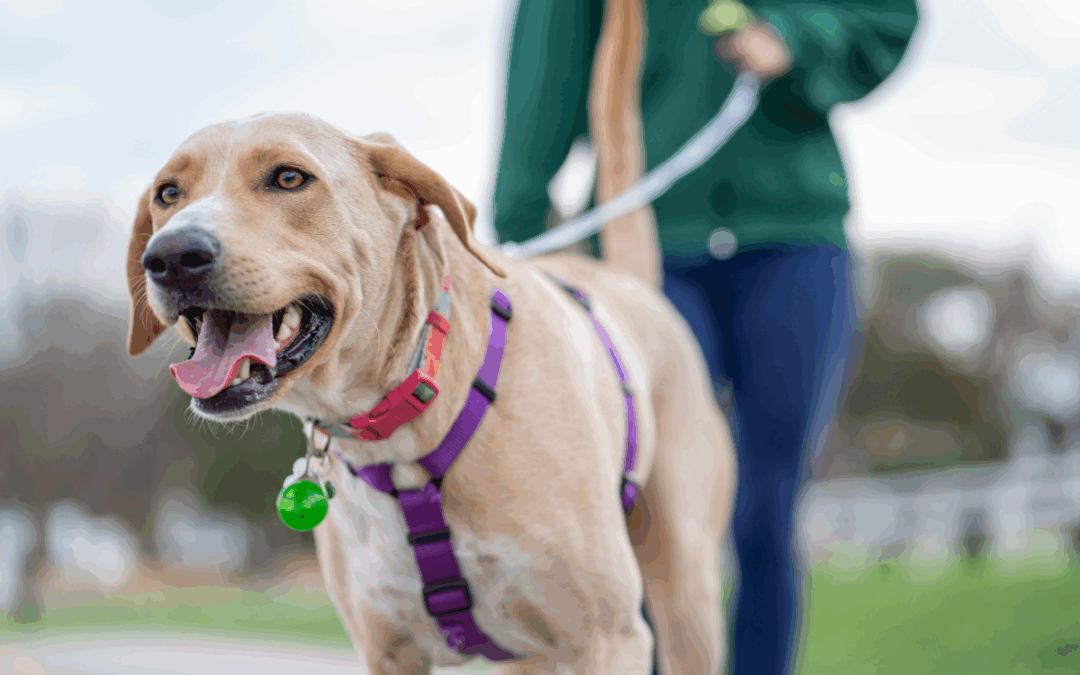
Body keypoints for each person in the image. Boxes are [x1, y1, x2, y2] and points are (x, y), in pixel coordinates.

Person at [492, 0, 919, 673]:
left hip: (793, 241)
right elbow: (542, 80)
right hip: (641, 247)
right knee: (643, 509)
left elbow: (886, 15)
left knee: (766, 511)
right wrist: (515, 240)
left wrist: (798, 33)